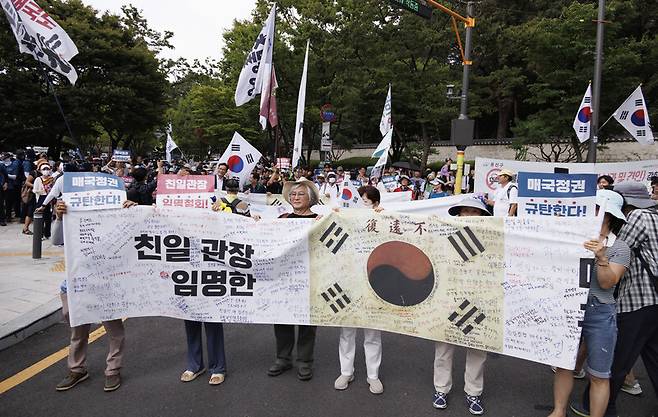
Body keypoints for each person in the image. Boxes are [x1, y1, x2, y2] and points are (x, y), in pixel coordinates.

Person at [572, 181, 658, 417]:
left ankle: (600, 407)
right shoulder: (654, 216)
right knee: (651, 354)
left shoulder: (637, 220)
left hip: (635, 298)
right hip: (652, 298)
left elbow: (615, 260)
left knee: (617, 358)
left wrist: (599, 250)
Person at [548, 190, 630, 417]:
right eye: (590, 207)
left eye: (597, 209)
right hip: (569, 306)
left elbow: (607, 283)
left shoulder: (620, 247)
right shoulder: (572, 236)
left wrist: (602, 258)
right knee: (565, 363)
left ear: (609, 217)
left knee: (599, 373)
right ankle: (559, 410)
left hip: (600, 312)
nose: (591, 213)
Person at [54, 199, 128, 391]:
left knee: (115, 331)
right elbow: (56, 240)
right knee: (78, 331)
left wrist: (132, 212)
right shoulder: (73, 217)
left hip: (107, 285)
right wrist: (59, 217)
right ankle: (77, 369)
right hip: (75, 286)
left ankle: (113, 369)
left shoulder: (116, 219)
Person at [433, 196, 491, 415]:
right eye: (465, 211)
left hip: (480, 299)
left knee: (477, 349)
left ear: (483, 216)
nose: (469, 216)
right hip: (449, 297)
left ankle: (474, 392)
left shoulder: (493, 237)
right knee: (444, 348)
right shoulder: (444, 234)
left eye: (474, 212)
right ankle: (441, 388)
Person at [334, 185, 384, 395]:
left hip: (374, 282)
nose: (363, 204)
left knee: (372, 333)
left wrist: (385, 216)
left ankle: (373, 376)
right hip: (348, 281)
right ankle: (346, 371)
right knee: (347, 331)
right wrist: (334, 215)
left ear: (376, 203)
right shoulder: (345, 217)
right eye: (360, 200)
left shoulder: (382, 219)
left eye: (367, 201)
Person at [268, 178, 319, 381]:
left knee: (307, 321)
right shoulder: (282, 218)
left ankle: (305, 361)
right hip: (284, 276)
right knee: (282, 318)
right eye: (293, 194)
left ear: (311, 198)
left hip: (310, 277)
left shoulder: (320, 220)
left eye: (300, 194)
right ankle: (283, 358)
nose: (296, 197)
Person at [32, 162, 55, 239]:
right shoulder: (38, 179)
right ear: (41, 171)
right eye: (44, 169)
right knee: (40, 218)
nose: (46, 170)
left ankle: (47, 234)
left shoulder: (51, 179)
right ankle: (40, 234)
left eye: (47, 169)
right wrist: (42, 191)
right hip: (41, 198)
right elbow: (35, 190)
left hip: (49, 199)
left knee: (48, 218)